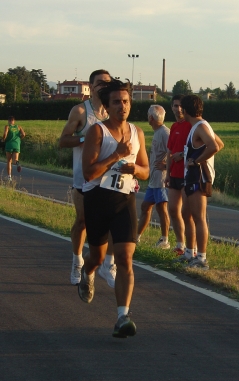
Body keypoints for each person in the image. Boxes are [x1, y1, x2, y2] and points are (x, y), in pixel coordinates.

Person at [80, 79, 149, 338]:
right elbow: (88, 173)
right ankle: (87, 272)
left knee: (124, 258)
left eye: (126, 101)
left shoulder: (137, 133)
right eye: (117, 102)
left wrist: (135, 170)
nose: (123, 106)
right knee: (97, 258)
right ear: (107, 107)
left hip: (124, 201)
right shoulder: (97, 132)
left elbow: (145, 170)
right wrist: (116, 156)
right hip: (97, 199)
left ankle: (122, 316)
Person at [59, 69, 116, 288]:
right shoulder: (81, 111)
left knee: (110, 223)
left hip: (108, 178)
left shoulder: (113, 110)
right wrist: (85, 137)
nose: (104, 86)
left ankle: (106, 264)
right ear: (90, 86)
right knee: (82, 221)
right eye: (100, 83)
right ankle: (77, 261)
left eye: (107, 83)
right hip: (83, 178)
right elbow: (63, 140)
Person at [180, 94, 224, 270]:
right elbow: (219, 144)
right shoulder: (198, 126)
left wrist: (197, 161)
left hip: (198, 176)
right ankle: (189, 253)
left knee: (199, 218)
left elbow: (214, 146)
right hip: (190, 176)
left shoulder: (200, 126)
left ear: (185, 110)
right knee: (187, 215)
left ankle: (202, 258)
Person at [137, 105, 170, 248]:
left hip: (161, 179)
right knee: (145, 206)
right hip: (153, 179)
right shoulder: (157, 132)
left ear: (151, 118)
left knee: (161, 207)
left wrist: (166, 166)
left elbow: (174, 151)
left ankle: (164, 239)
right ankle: (136, 237)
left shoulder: (164, 132)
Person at [165, 95, 192, 256]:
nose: (178, 109)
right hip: (174, 173)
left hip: (186, 173)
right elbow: (169, 152)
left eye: (181, 106)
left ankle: (191, 247)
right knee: (173, 210)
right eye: (175, 106)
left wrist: (182, 155)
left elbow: (196, 148)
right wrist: (167, 174)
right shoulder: (174, 126)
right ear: (172, 107)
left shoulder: (190, 126)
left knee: (186, 213)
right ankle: (180, 244)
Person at [2, 116, 25, 181]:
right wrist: (19, 138)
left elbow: (5, 134)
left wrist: (3, 139)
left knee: (9, 161)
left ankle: (9, 177)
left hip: (9, 144)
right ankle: (18, 164)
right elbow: (23, 134)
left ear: (8, 121)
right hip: (17, 144)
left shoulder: (7, 126)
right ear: (14, 121)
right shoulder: (18, 127)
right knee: (15, 160)